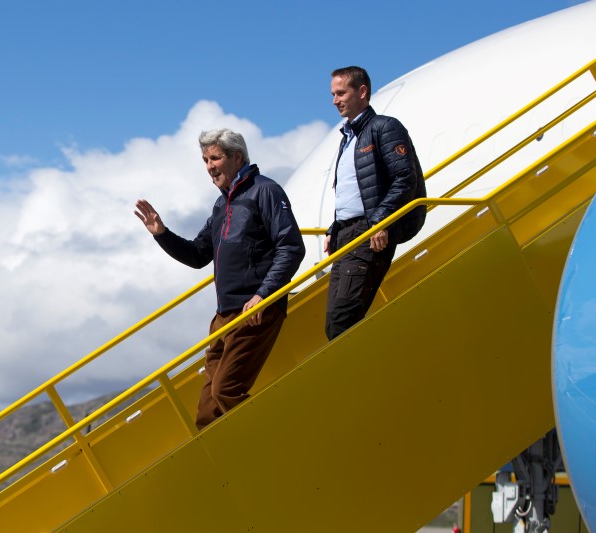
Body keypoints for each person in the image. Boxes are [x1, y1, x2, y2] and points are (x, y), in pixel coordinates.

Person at [135, 128, 306, 429]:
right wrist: (162, 234)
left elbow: (292, 247)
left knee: (225, 390)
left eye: (215, 157)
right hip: (223, 316)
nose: (209, 166)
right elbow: (198, 255)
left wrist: (263, 296)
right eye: (205, 160)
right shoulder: (221, 205)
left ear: (237, 157)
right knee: (206, 413)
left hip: (254, 311)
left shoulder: (264, 191)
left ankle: (279, 435)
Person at [324, 66, 426, 341]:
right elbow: (354, 191)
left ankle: (356, 380)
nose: (335, 100)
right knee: (336, 322)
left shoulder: (384, 127)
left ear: (362, 92)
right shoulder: (347, 139)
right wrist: (335, 228)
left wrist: (380, 221)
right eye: (333, 94)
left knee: (342, 320)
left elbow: (405, 178)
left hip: (368, 233)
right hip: (347, 234)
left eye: (341, 93)